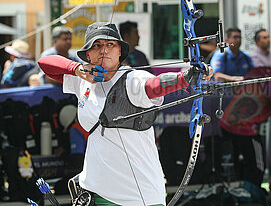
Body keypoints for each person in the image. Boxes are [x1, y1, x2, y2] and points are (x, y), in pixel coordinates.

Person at [38, 22, 212, 206]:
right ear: (88, 54)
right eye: (97, 45)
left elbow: (155, 86)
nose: (104, 50)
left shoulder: (133, 79)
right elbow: (45, 64)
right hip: (97, 189)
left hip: (138, 194)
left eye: (110, 44)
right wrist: (77, 69)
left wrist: (184, 78)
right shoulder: (83, 80)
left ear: (119, 50)